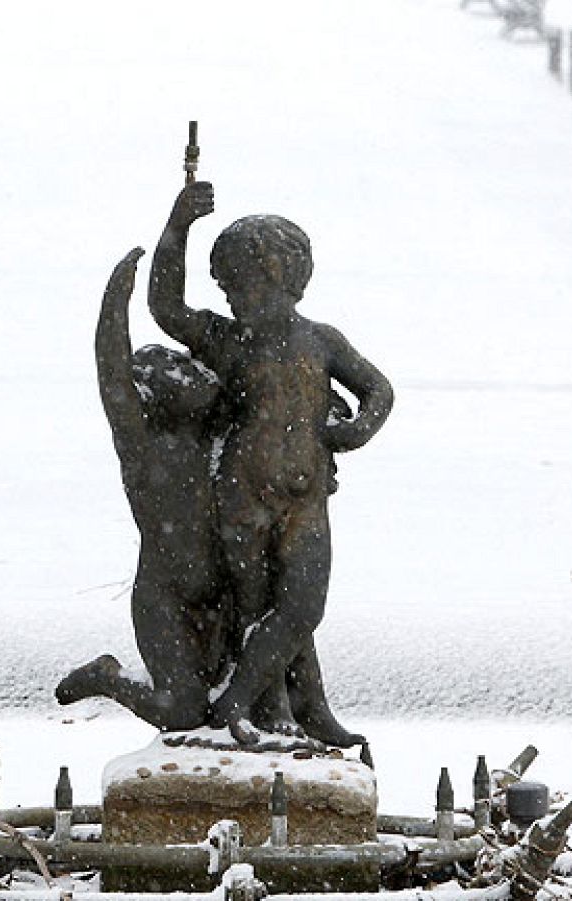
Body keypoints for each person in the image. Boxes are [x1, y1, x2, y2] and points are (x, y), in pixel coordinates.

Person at [148, 180, 394, 746]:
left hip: (305, 499)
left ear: (284, 278)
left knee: (302, 606)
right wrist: (177, 227)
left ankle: (242, 700)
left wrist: (355, 430)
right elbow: (166, 308)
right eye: (227, 287)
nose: (233, 297)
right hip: (242, 498)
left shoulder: (321, 341)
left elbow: (378, 390)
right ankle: (287, 709)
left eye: (242, 284)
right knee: (256, 607)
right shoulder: (228, 339)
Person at [55, 248, 228, 731]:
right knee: (182, 711)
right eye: (175, 370)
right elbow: (112, 371)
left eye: (188, 366)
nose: (191, 373)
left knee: (224, 705)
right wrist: (116, 302)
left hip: (225, 589)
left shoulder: (219, 434)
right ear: (152, 391)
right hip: (165, 593)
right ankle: (108, 678)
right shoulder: (142, 441)